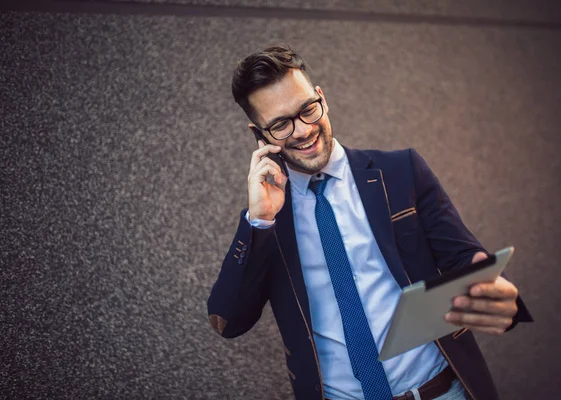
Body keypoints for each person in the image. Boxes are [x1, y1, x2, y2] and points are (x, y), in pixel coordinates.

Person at [207, 45, 532, 400]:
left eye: (306, 110)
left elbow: (463, 257)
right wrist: (259, 221)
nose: (302, 130)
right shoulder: (267, 220)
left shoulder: (400, 170)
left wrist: (487, 282)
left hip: (441, 392)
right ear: (259, 134)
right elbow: (229, 321)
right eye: (281, 125)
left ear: (322, 98)